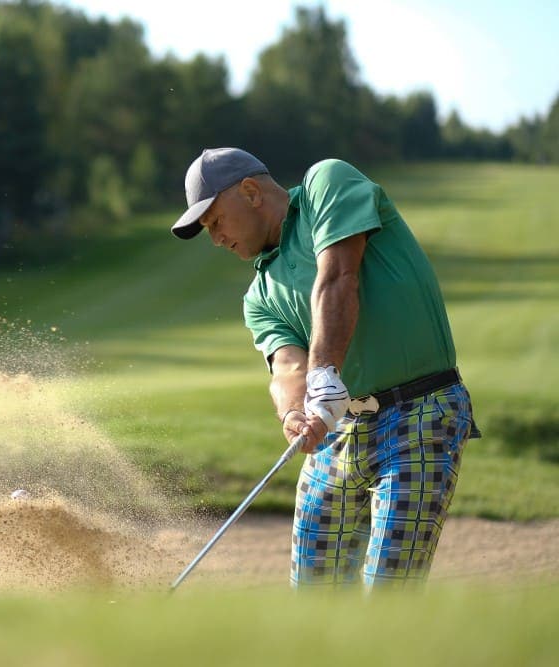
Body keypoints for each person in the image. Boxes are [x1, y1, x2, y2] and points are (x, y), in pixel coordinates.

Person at [170, 148, 480, 588]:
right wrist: (294, 411)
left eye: (215, 221)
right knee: (315, 593)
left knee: (387, 587)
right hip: (338, 430)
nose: (216, 239)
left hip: (421, 414)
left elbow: (338, 275)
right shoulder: (259, 297)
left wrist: (323, 373)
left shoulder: (327, 185)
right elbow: (286, 366)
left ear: (251, 191)